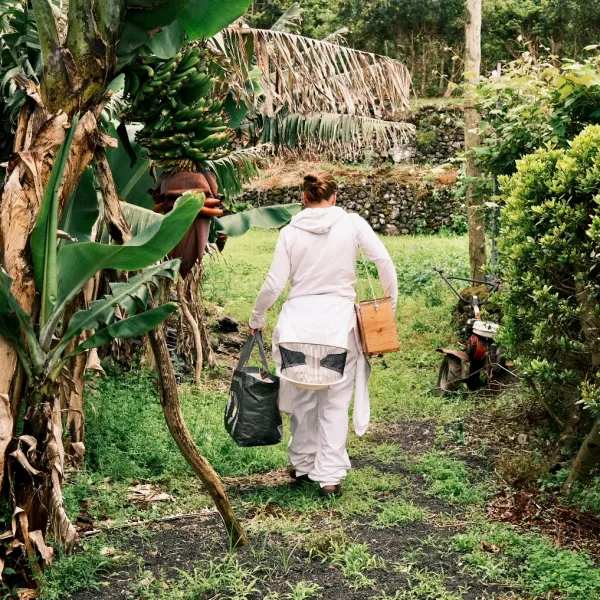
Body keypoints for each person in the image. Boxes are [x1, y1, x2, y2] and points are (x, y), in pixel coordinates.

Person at [249, 172, 398, 497]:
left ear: (304, 197)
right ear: (334, 197)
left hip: (296, 328)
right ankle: (329, 477)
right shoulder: (352, 224)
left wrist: (256, 317)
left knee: (303, 398)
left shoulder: (290, 231)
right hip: (338, 327)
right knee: (333, 402)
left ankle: (302, 465)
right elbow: (383, 261)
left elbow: (274, 283)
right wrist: (391, 306)